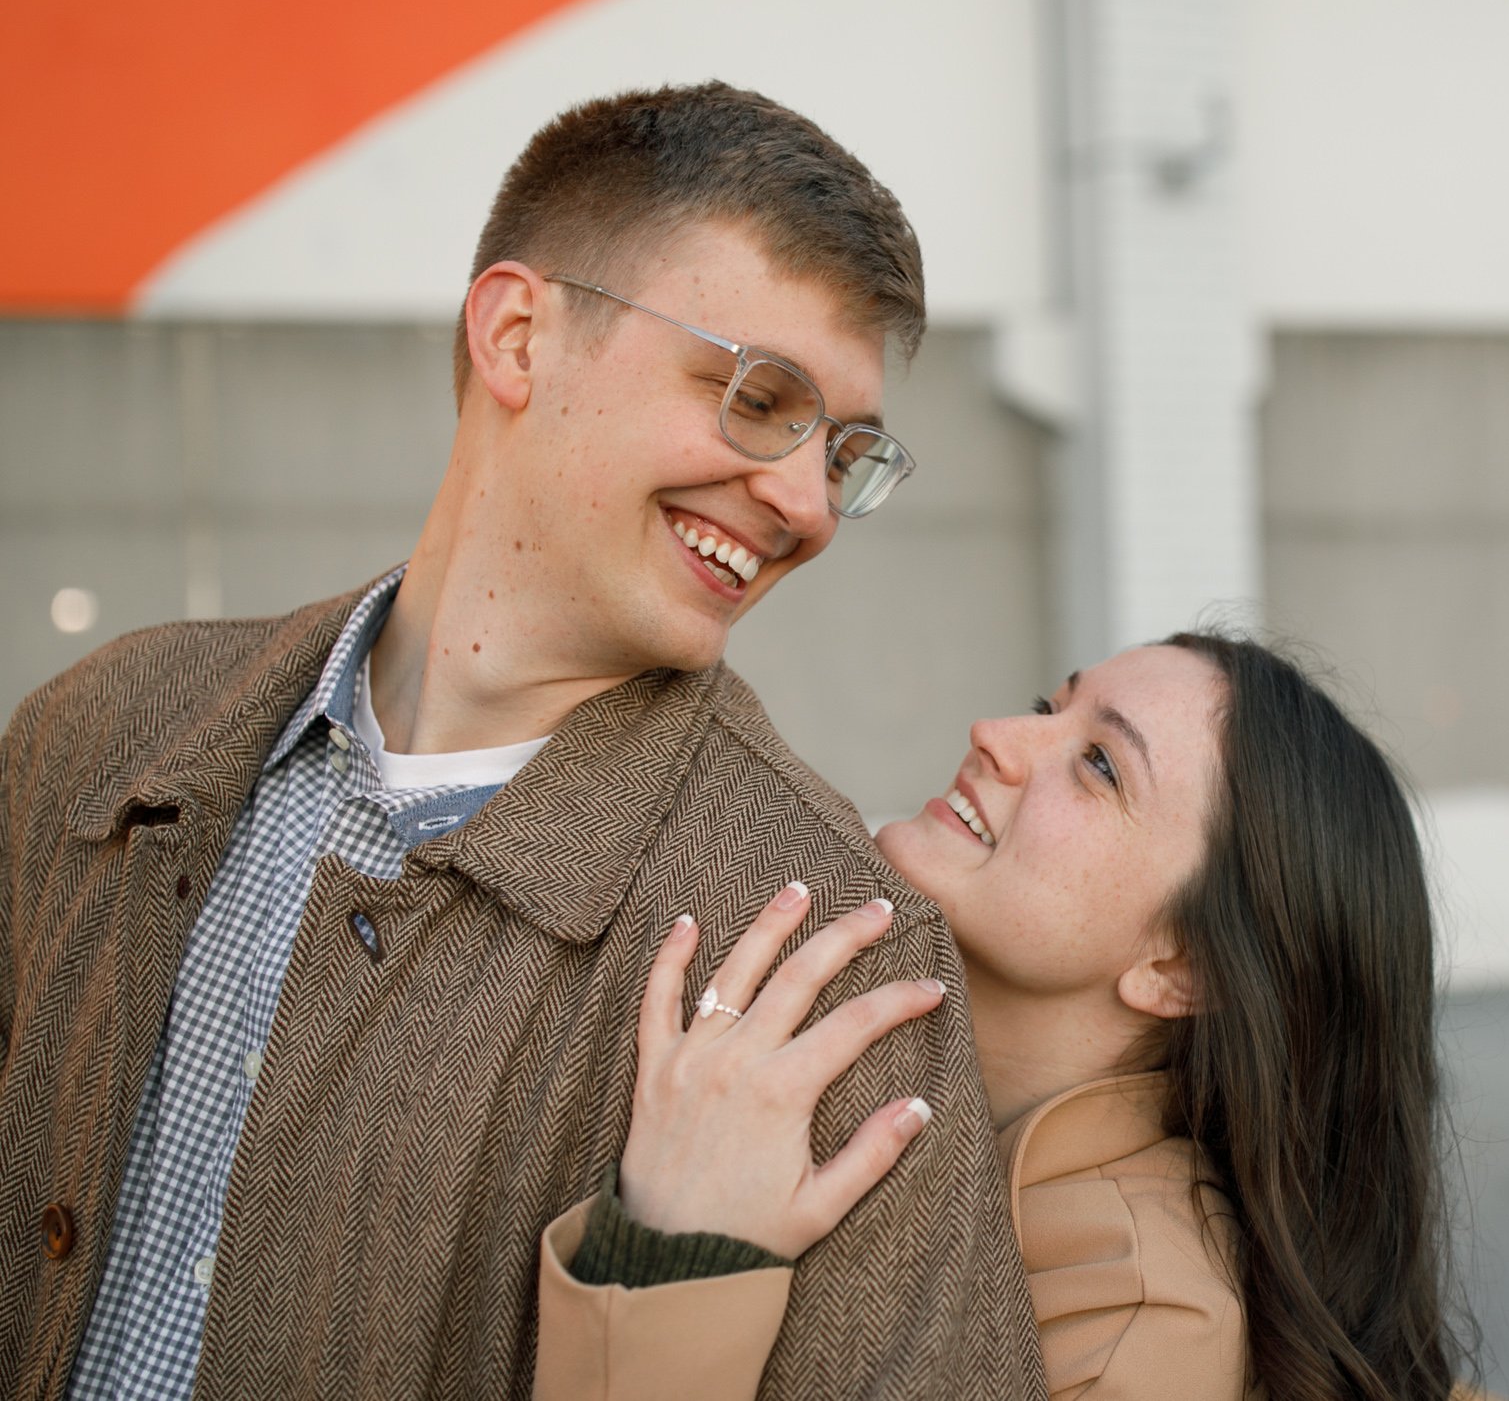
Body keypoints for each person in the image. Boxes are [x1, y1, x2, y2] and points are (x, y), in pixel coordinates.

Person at [0, 83, 1046, 1399]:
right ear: (516, 336)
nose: (804, 502)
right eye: (759, 394)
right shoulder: (100, 731)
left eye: (845, 450)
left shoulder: (822, 948)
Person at [536, 634, 1480, 1400]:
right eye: (1047, 707)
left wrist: (676, 1251)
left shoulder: (1132, 1336)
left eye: (1099, 764)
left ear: (1181, 963)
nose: (995, 733)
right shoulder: (886, 1082)